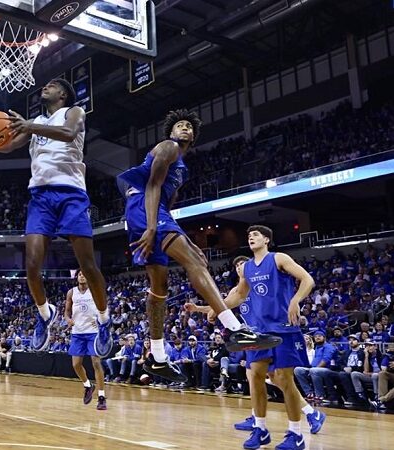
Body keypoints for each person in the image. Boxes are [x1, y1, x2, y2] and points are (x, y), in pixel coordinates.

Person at [119, 110, 281, 383]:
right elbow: (152, 187)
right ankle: (233, 328)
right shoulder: (168, 147)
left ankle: (157, 357)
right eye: (179, 125)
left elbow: (166, 206)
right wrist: (151, 227)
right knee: (195, 263)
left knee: (159, 287)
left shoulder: (181, 169)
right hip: (144, 208)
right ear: (171, 134)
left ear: (193, 136)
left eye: (188, 126)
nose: (184, 128)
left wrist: (181, 235)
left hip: (152, 212)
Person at [0, 79, 111, 356]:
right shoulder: (33, 121)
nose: (45, 87)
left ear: (63, 94)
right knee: (31, 264)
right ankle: (45, 313)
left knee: (88, 265)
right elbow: (8, 146)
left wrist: (29, 126)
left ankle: (104, 319)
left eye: (52, 85)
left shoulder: (74, 111)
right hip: (41, 196)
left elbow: (69, 134)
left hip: (71, 193)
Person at [187, 226, 325, 450]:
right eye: (249, 235)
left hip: (282, 328)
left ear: (267, 239)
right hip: (257, 332)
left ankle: (296, 433)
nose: (251, 237)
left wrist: (295, 300)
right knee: (255, 377)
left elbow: (307, 280)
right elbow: (239, 296)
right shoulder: (247, 268)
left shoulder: (278, 258)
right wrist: (215, 308)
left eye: (256, 235)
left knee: (283, 378)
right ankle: (260, 429)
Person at [64, 269, 107, 410]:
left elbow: (104, 308)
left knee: (96, 362)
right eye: (80, 274)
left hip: (93, 332)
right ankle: (88, 385)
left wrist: (101, 321)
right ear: (77, 277)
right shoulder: (71, 292)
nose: (82, 276)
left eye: (84, 274)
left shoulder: (95, 290)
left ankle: (101, 397)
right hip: (77, 332)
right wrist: (68, 319)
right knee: (76, 365)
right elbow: (66, 312)